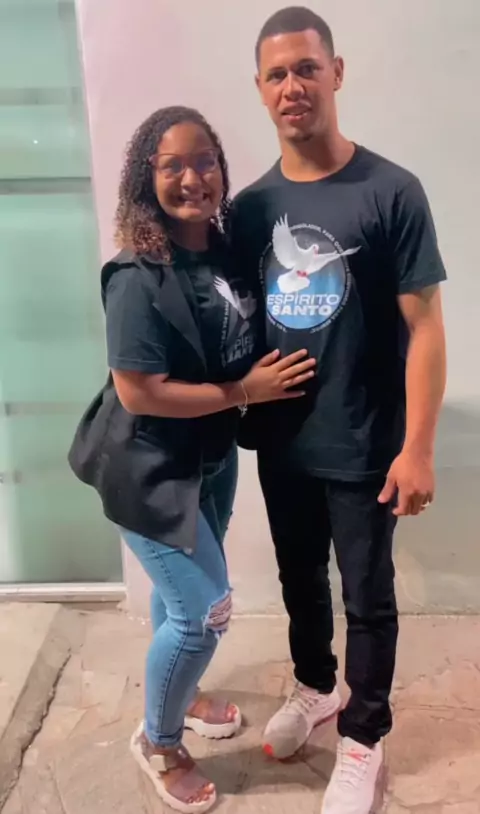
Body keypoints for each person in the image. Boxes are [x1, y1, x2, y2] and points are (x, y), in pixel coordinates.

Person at [68, 105, 316, 814]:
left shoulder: (226, 251)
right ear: (145, 177)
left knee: (181, 602)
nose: (191, 177)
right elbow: (139, 392)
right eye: (171, 165)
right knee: (204, 613)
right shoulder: (136, 275)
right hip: (146, 467)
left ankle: (180, 687)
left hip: (209, 456)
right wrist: (244, 392)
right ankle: (159, 741)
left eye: (204, 160)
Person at [232, 7, 447, 814]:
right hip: (282, 442)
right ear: (260, 90)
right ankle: (317, 686)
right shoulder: (250, 209)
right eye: (276, 74)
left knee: (367, 595)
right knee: (299, 582)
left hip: (364, 442)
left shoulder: (391, 191)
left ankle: (363, 737)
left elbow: (426, 328)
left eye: (306, 68)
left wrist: (417, 447)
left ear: (336, 73)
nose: (292, 85)